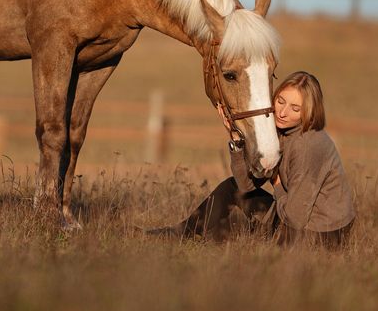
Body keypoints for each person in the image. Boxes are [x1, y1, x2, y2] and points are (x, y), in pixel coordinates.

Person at [150, 71, 355, 246]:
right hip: (296, 216)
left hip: (321, 234)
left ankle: (220, 239)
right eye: (280, 101)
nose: (282, 112)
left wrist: (276, 183)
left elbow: (296, 218)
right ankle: (182, 233)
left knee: (247, 245)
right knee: (231, 187)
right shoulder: (280, 131)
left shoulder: (309, 146)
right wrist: (237, 140)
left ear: (309, 112)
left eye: (295, 108)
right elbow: (246, 185)